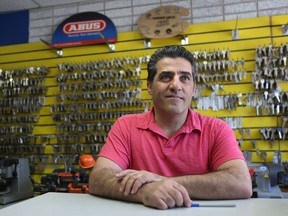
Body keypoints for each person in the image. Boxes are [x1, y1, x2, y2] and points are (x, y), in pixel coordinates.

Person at [89, 45, 252, 210]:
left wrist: (159, 181)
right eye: (166, 77)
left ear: (193, 88)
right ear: (149, 86)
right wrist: (145, 191)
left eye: (185, 78)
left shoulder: (217, 130)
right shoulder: (126, 126)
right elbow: (98, 178)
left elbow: (241, 182)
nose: (176, 85)